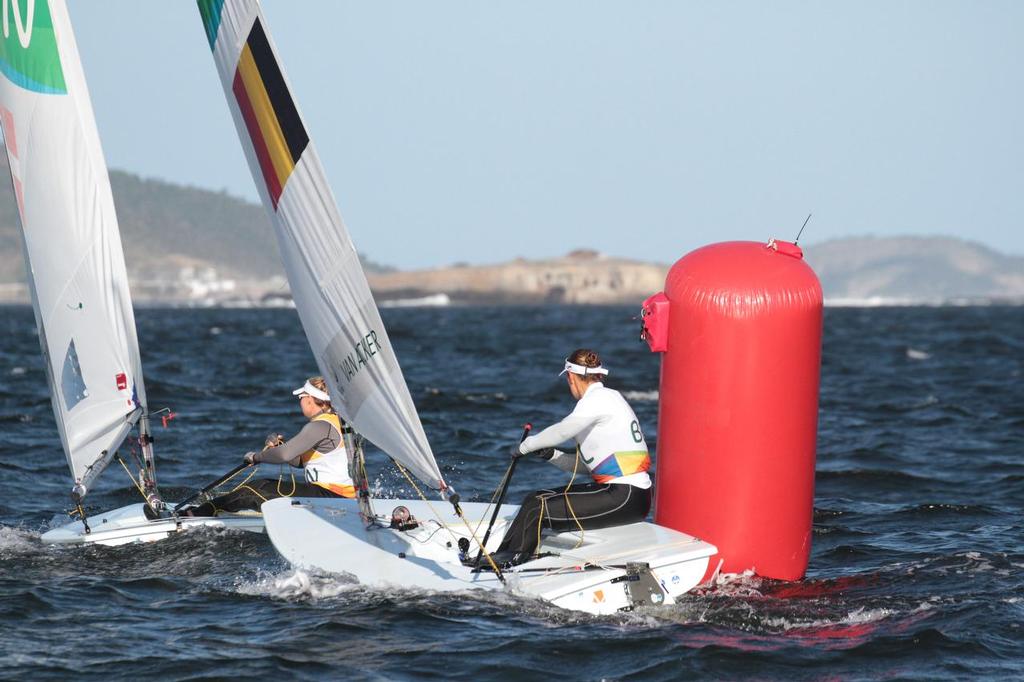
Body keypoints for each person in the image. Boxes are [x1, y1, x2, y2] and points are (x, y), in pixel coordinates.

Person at [488, 348, 653, 567]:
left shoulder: (597, 400)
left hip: (624, 496)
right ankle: (503, 558)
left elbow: (563, 431)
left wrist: (525, 446)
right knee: (533, 499)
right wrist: (552, 455)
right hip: (630, 495)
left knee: (538, 507)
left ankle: (510, 563)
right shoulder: (611, 397)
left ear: (571, 377)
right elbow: (589, 468)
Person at [185, 376, 356, 516]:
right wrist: (279, 446)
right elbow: (299, 461)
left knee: (254, 489)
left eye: (301, 397)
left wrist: (256, 457)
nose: (300, 402)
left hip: (334, 497)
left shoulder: (319, 426)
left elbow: (284, 456)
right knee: (259, 488)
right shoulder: (334, 422)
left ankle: (201, 513)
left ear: (311, 400)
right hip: (339, 496)